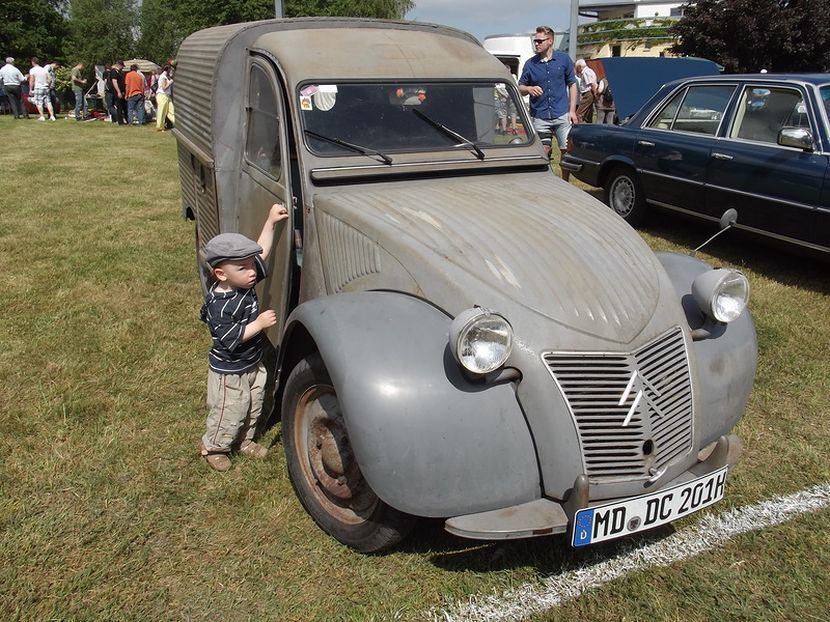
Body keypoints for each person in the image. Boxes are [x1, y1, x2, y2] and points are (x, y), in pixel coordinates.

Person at [199, 203, 290, 472]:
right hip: (230, 370)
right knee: (230, 409)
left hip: (252, 362)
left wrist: (270, 222)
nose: (253, 271)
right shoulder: (219, 304)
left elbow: (263, 250)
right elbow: (233, 337)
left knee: (253, 404)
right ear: (220, 274)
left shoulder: (241, 280)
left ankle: (244, 441)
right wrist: (260, 324)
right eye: (244, 268)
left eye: (252, 265)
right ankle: (215, 447)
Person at [518, 26, 578, 180]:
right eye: (535, 41)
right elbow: (520, 87)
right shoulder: (530, 64)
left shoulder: (563, 59)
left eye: (539, 41)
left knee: (566, 151)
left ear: (550, 41)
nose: (536, 44)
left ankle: (565, 182)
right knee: (543, 151)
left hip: (561, 113)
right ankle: (548, 180)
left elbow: (572, 84)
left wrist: (572, 110)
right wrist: (529, 88)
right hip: (540, 115)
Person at [575, 59, 597, 124]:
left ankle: (580, 128)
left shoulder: (586, 72)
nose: (577, 70)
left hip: (588, 93)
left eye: (577, 68)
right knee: (588, 113)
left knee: (579, 113)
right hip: (589, 93)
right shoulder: (589, 71)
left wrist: (595, 94)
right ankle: (589, 127)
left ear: (579, 66)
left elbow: (592, 84)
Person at [155, 64, 175, 131]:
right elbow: (164, 88)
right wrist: (170, 82)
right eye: (171, 70)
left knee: (171, 111)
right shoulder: (163, 77)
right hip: (162, 95)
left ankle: (177, 123)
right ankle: (160, 127)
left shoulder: (165, 76)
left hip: (166, 96)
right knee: (162, 112)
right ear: (168, 70)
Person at [107, 60, 127, 125]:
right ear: (119, 65)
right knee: (119, 107)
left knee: (123, 106)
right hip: (116, 92)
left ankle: (122, 120)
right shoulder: (114, 72)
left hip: (121, 91)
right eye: (122, 66)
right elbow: (114, 82)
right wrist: (118, 92)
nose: (122, 68)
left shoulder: (118, 72)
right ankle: (120, 120)